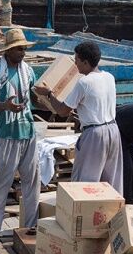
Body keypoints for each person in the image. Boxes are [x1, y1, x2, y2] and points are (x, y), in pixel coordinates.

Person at [34, 41, 123, 194]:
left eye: (77, 61)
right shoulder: (109, 77)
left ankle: (83, 215)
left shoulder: (84, 82)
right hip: (113, 130)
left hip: (95, 134)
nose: (75, 64)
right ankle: (112, 216)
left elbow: (62, 111)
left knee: (85, 184)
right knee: (111, 182)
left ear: (86, 62)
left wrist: (49, 94)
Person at [0, 29, 40, 248]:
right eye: (19, 49)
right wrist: (5, 106)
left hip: (28, 133)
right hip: (7, 135)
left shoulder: (29, 71)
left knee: (32, 183)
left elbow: (35, 99)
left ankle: (31, 226)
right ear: (9, 50)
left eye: (24, 48)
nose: (23, 53)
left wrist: (49, 96)